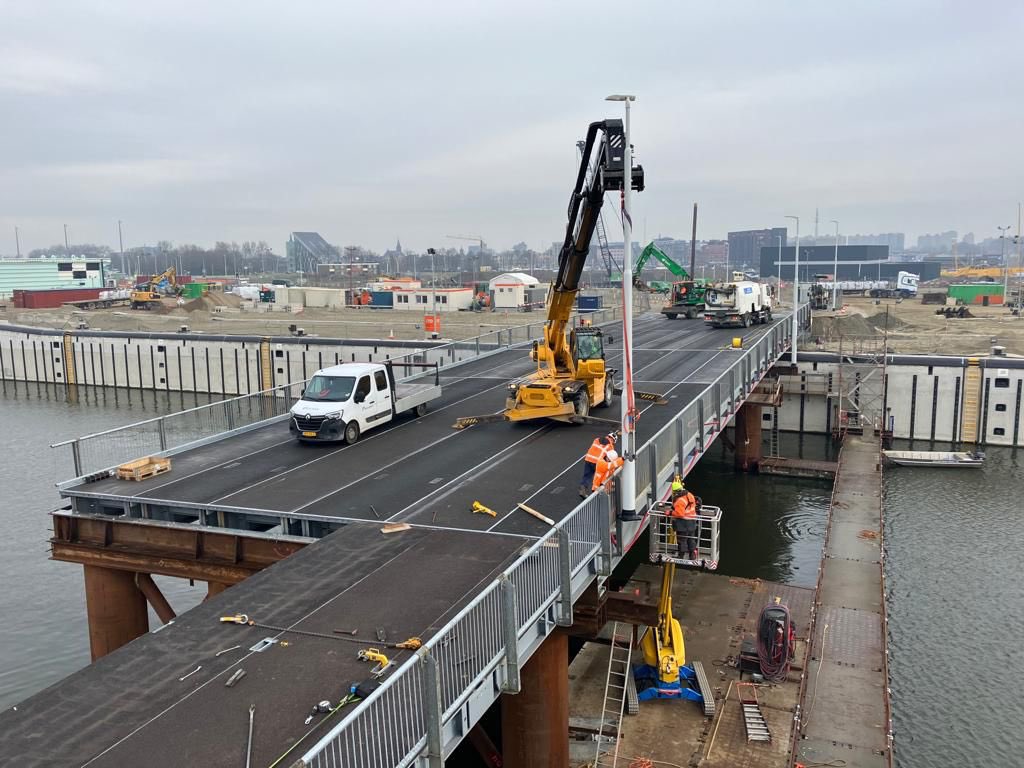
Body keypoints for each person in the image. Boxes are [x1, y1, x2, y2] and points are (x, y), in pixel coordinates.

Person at [579, 433, 619, 497]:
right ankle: (599, 490)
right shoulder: (610, 446)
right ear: (613, 440)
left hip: (588, 459)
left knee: (587, 475)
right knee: (600, 475)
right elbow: (610, 457)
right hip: (597, 462)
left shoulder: (597, 439)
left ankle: (583, 489)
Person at [671, 484, 699, 560]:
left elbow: (680, 514)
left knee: (681, 540)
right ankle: (692, 555)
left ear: (675, 492)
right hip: (692, 521)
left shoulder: (680, 500)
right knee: (691, 539)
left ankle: (681, 555)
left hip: (683, 523)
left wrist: (670, 513)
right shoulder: (690, 495)